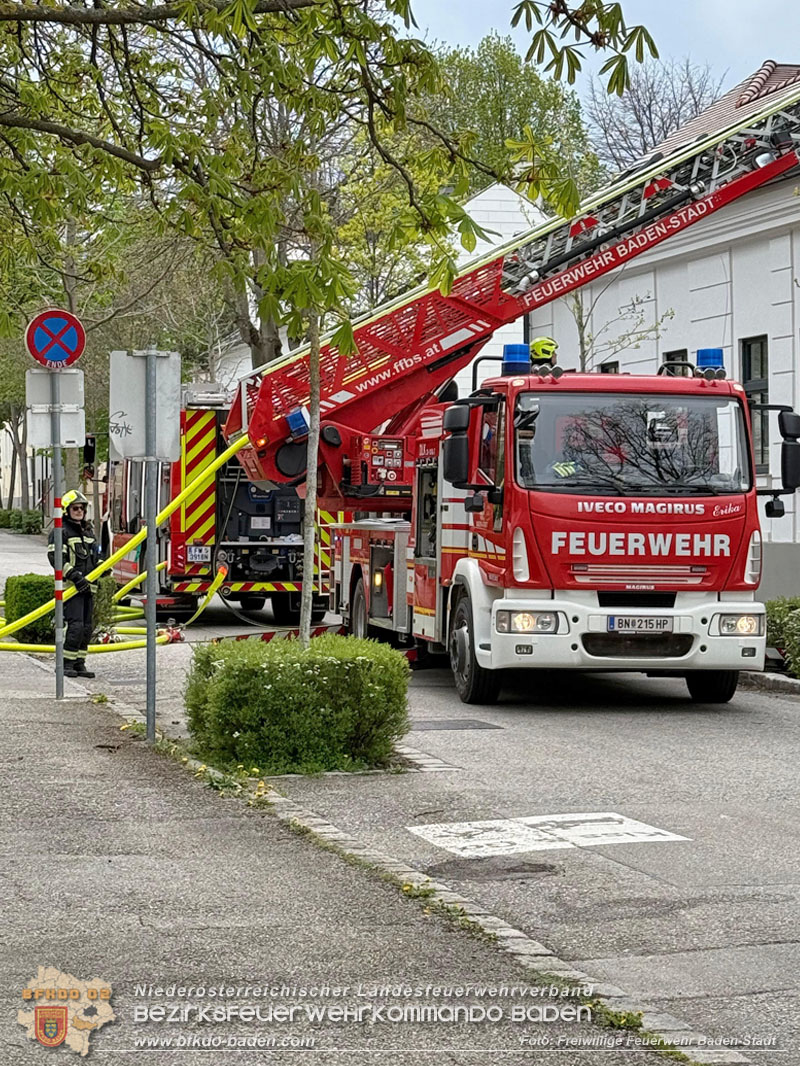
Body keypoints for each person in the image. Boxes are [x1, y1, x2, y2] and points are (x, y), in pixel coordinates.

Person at [48, 489, 99, 679]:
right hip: (71, 588)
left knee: (87, 628)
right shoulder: (60, 532)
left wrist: (103, 568)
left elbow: (98, 555)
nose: (79, 511)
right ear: (66, 510)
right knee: (75, 626)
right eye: (75, 508)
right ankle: (66, 664)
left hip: (88, 588)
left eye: (82, 508)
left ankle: (79, 664)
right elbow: (56, 558)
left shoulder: (88, 531)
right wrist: (76, 577)